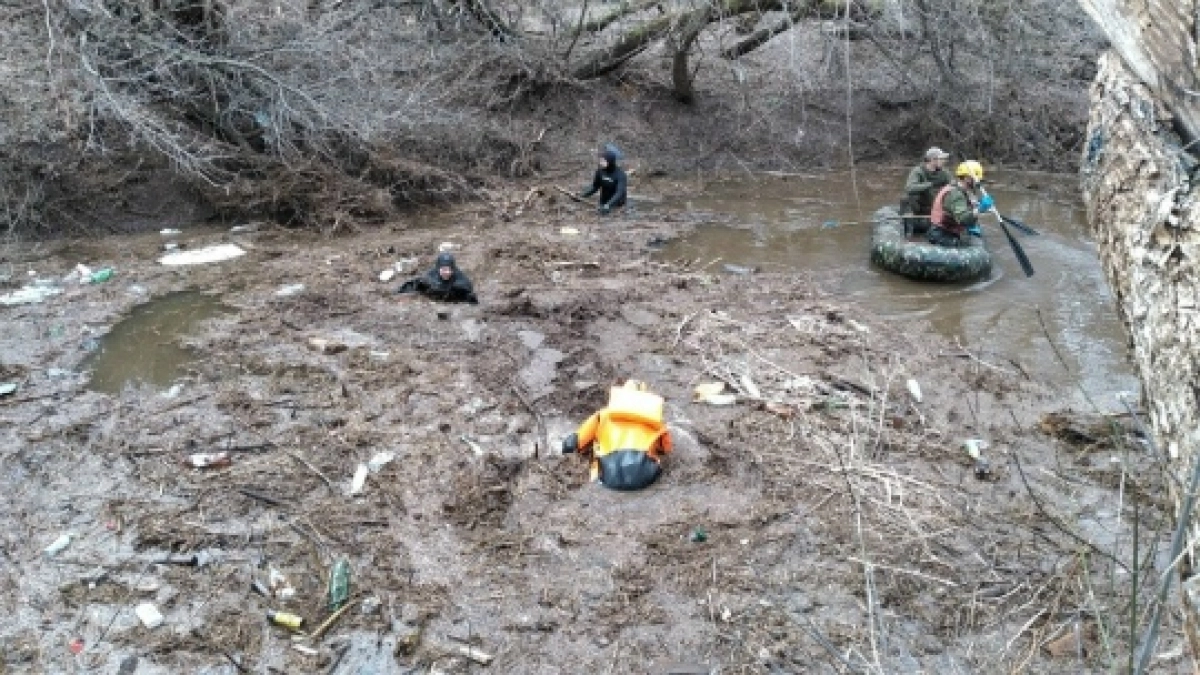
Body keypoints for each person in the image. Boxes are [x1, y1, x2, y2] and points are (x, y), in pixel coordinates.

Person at [561, 380, 673, 491]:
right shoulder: (655, 421)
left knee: (596, 459)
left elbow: (574, 442)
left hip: (610, 475)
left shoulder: (603, 415)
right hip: (645, 476)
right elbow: (666, 449)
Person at [928, 160, 993, 248]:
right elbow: (963, 219)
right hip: (941, 234)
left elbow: (966, 207)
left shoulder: (961, 189)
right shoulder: (956, 194)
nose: (978, 182)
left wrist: (979, 206)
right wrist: (980, 209)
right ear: (967, 178)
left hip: (947, 230)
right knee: (968, 247)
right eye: (977, 179)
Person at [901, 147, 952, 234]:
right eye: (941, 159)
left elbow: (953, 186)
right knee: (906, 198)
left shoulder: (945, 173)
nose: (944, 161)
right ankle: (909, 230)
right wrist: (930, 184)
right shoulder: (918, 171)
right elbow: (909, 188)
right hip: (920, 207)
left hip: (935, 206)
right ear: (933, 160)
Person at [396, 251, 478, 304]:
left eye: (448, 270)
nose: (446, 273)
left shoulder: (461, 279)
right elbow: (414, 283)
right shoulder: (431, 275)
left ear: (453, 269)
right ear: (438, 269)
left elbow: (470, 291)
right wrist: (398, 292)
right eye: (443, 270)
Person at [580, 145, 627, 216]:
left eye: (603, 161)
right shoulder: (600, 171)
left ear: (610, 161)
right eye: (600, 160)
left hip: (617, 205)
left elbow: (619, 193)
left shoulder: (620, 174)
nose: (600, 163)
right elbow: (595, 187)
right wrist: (582, 195)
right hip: (603, 203)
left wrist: (608, 205)